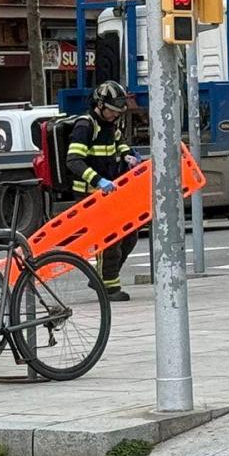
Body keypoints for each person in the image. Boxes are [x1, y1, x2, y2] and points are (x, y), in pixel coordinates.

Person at [66, 81, 142, 302]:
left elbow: (120, 144)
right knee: (109, 240)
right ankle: (108, 288)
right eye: (112, 111)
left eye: (118, 113)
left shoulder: (110, 125)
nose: (115, 116)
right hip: (90, 194)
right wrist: (98, 181)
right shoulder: (85, 126)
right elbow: (73, 160)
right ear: (100, 105)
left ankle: (102, 278)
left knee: (130, 235)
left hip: (110, 193)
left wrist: (129, 155)